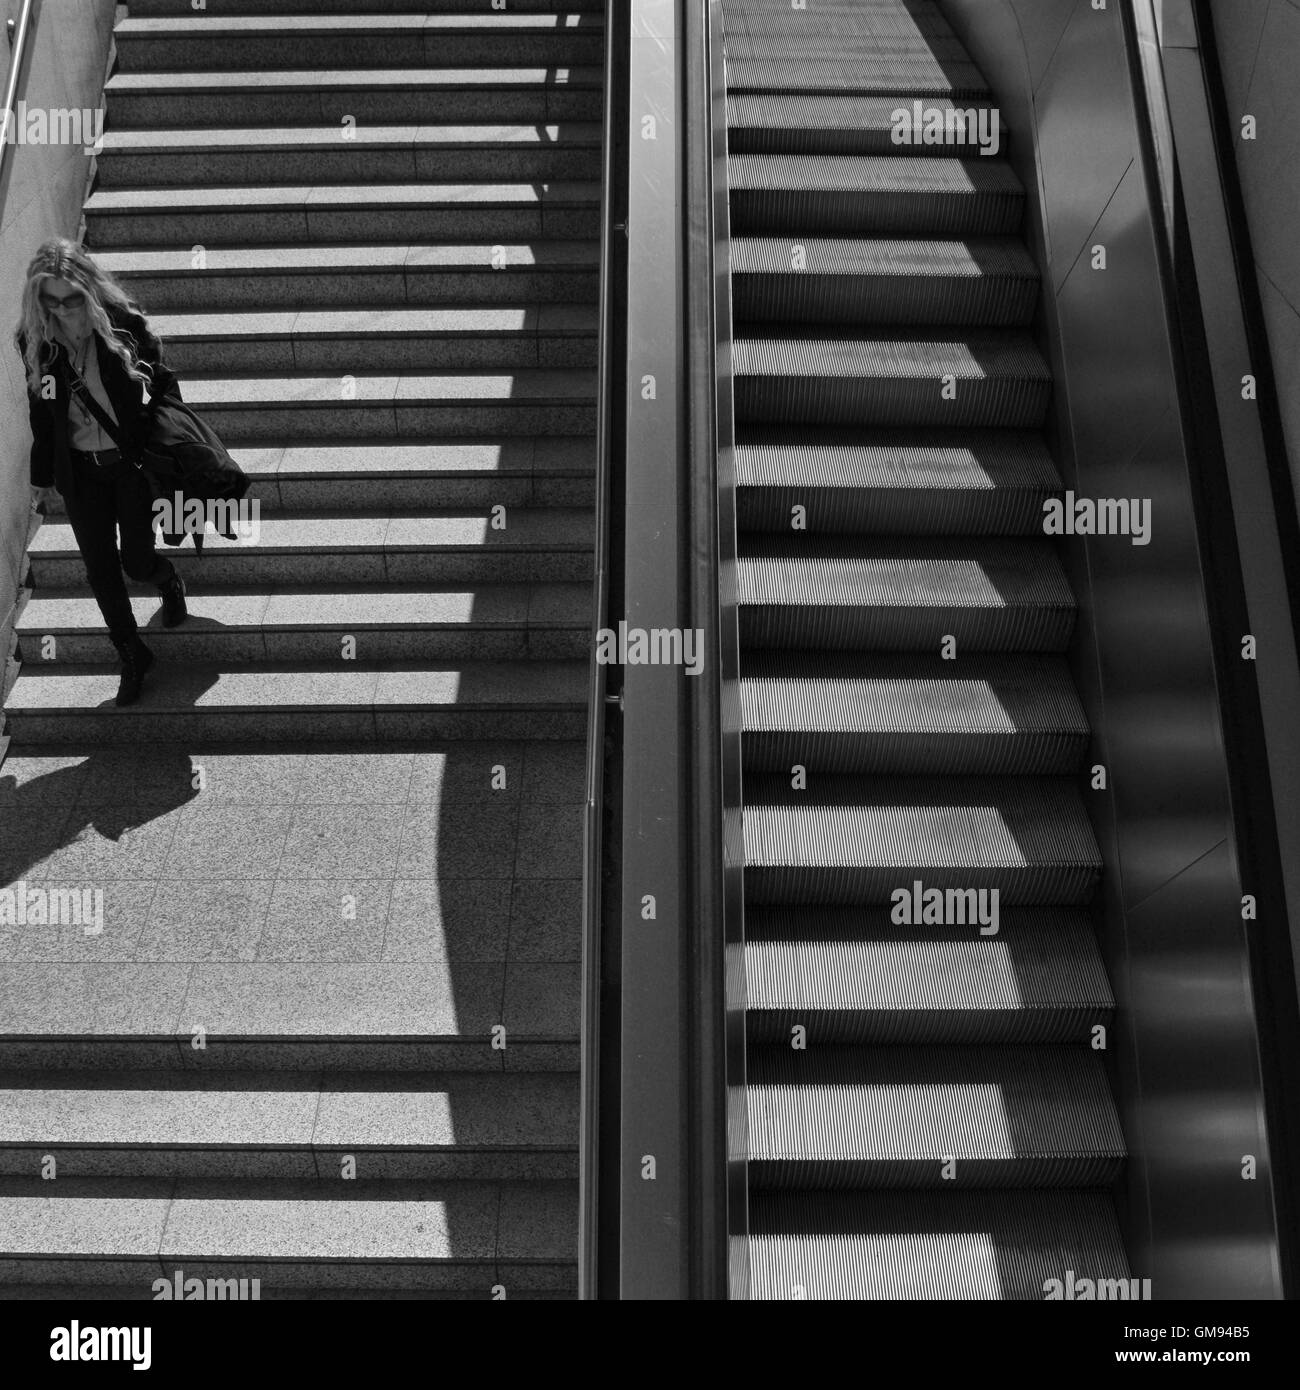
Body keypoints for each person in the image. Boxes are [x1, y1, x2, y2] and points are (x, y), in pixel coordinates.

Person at [16, 238, 188, 706]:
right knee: (100, 570)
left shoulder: (124, 329)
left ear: (89, 289)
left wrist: (163, 438)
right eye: (50, 300)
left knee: (136, 562)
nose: (62, 309)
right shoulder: (36, 342)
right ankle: (131, 653)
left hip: (130, 467)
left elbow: (165, 388)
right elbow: (43, 412)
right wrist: (42, 478)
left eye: (71, 298)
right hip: (81, 474)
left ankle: (165, 578)